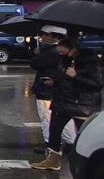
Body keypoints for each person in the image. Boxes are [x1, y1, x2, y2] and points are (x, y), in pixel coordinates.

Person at [32, 33, 102, 171]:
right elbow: (63, 76)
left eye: (63, 51)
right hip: (63, 101)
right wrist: (55, 81)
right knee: (54, 131)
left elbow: (96, 84)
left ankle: (89, 164)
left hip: (81, 105)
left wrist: (76, 76)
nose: (61, 54)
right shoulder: (65, 59)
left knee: (84, 135)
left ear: (72, 48)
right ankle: (52, 160)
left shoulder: (90, 61)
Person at [29, 25, 75, 154]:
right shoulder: (62, 51)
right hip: (58, 90)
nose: (41, 37)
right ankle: (71, 141)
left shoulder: (52, 51)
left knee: (47, 117)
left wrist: (39, 52)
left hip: (47, 90)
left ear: (55, 37)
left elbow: (35, 63)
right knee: (62, 118)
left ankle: (50, 144)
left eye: (45, 35)